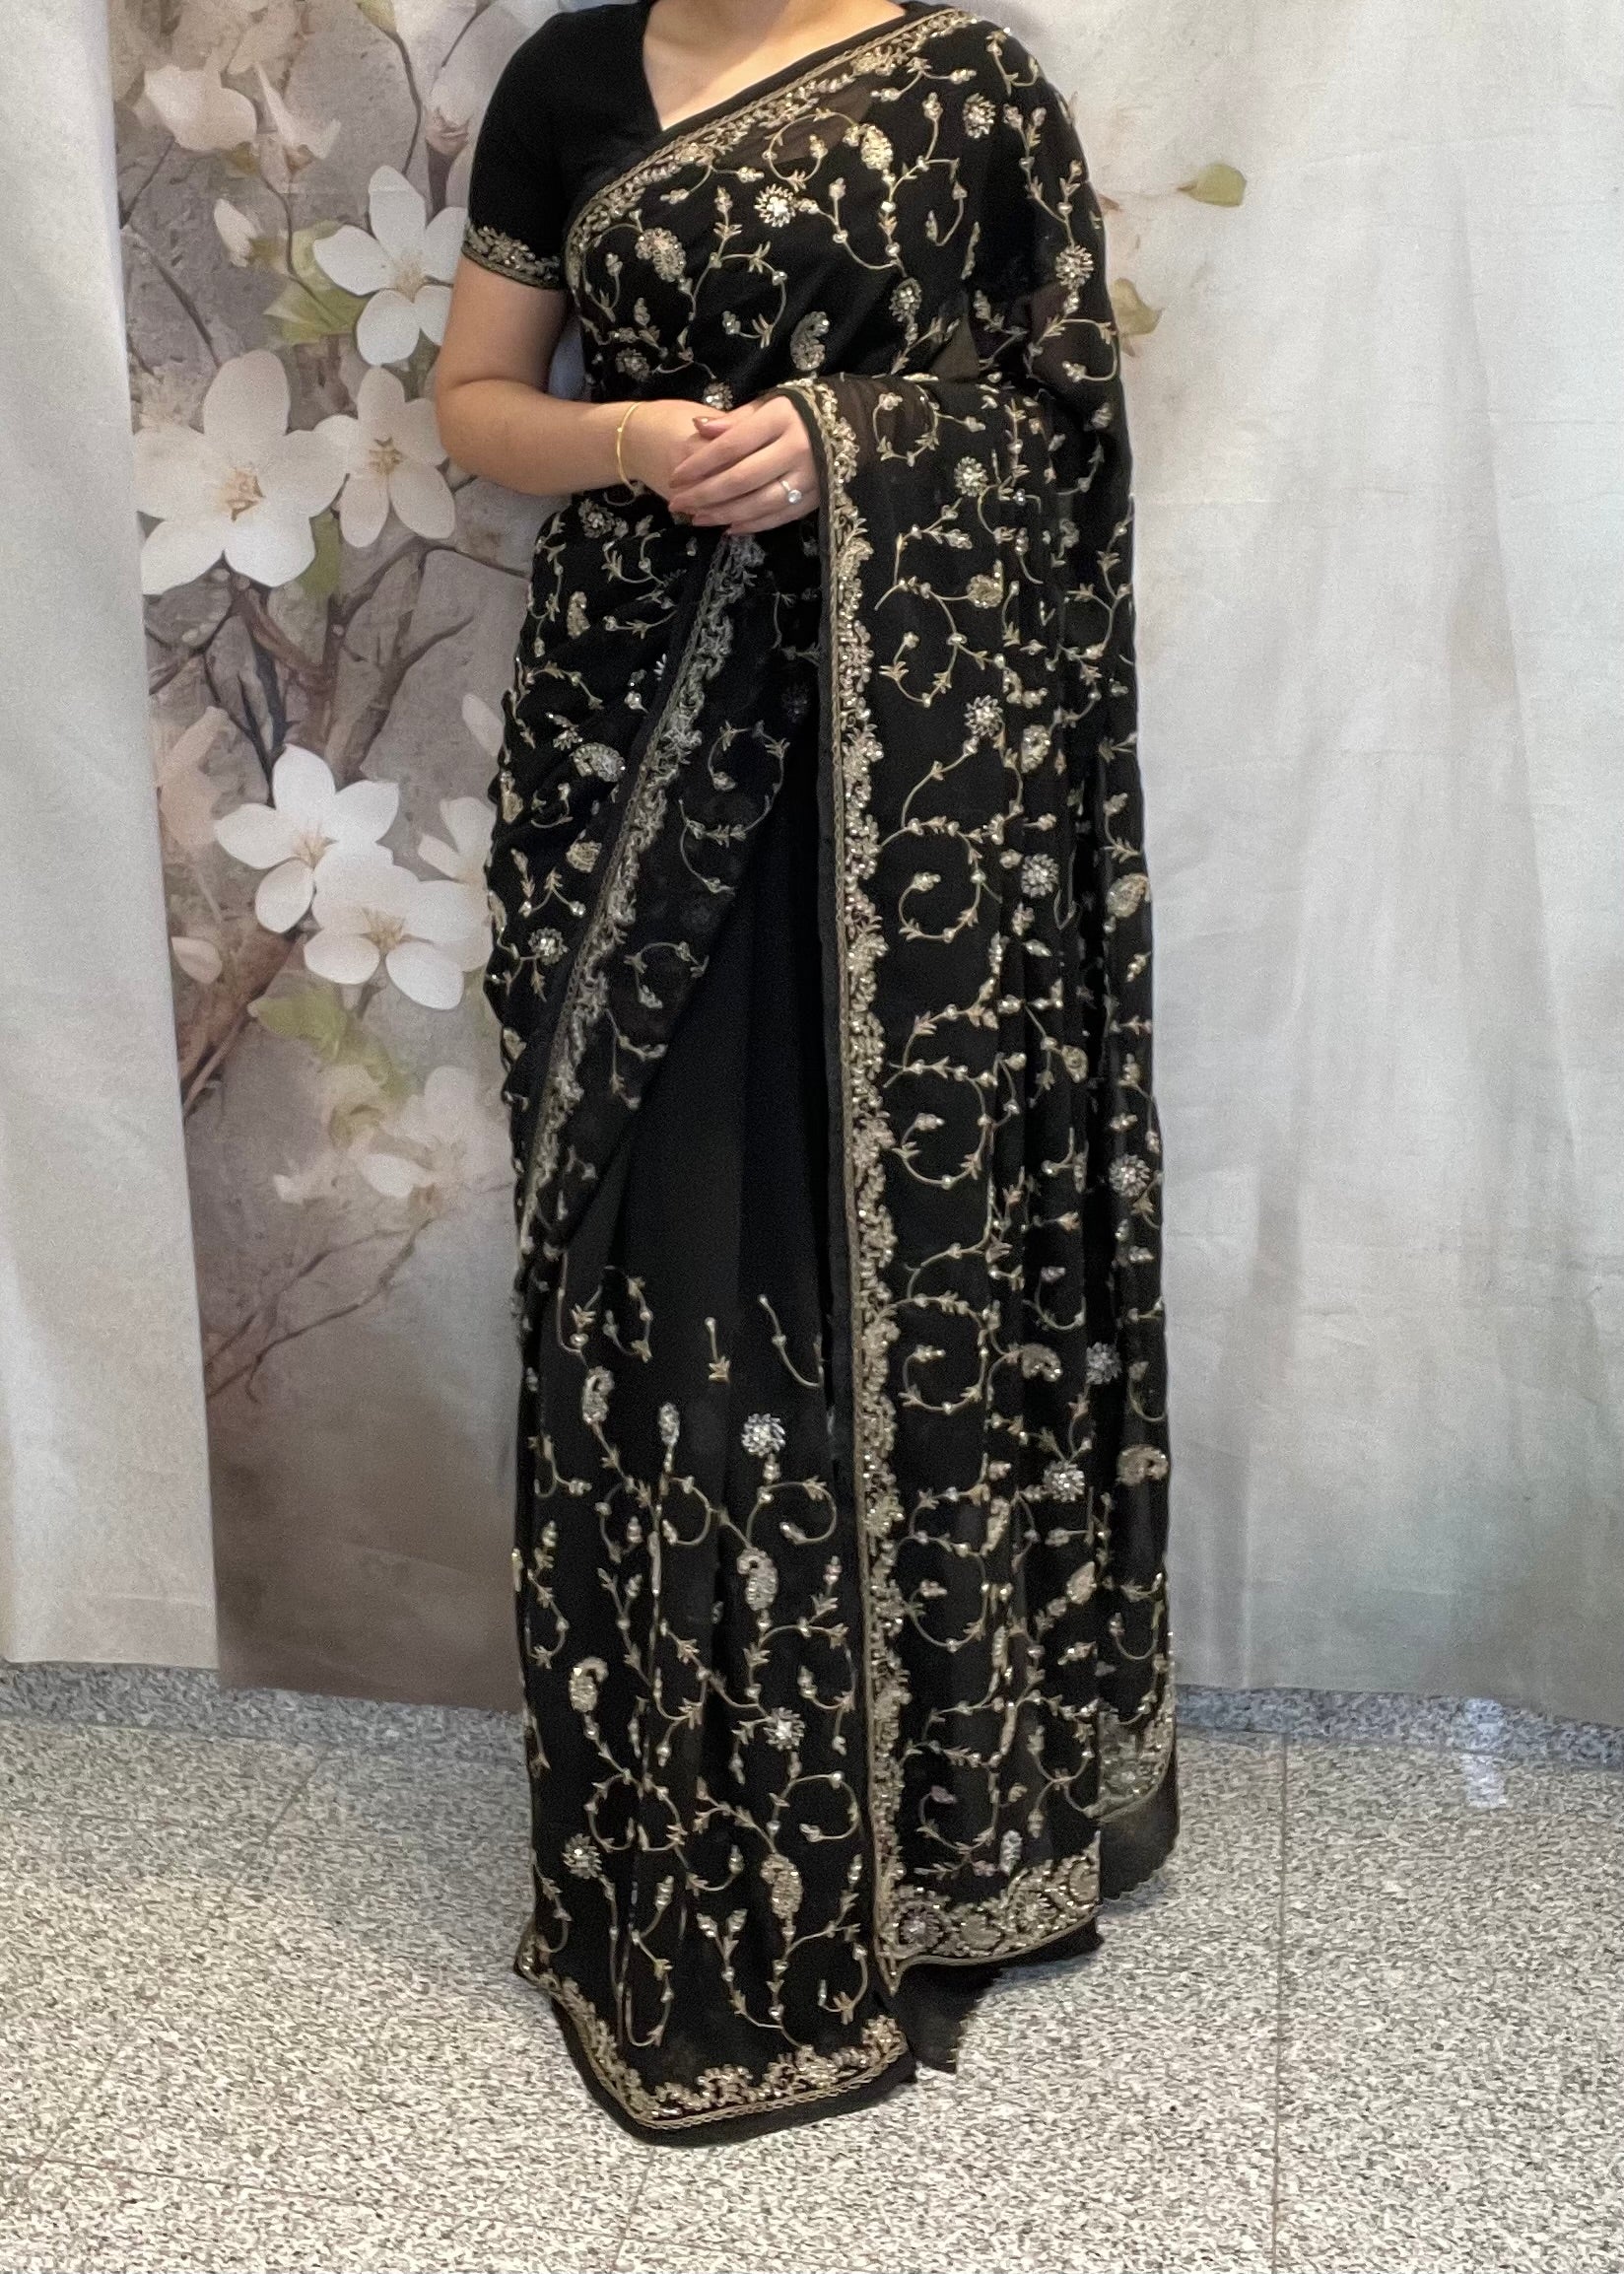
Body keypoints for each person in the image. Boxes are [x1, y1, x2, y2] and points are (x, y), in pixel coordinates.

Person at [435, 0, 1176, 2144]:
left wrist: (847, 446)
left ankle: (937, 1833)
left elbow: (1059, 420)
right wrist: (634, 444)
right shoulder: (568, 80)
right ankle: (697, 1833)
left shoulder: (969, 92)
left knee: (900, 1245)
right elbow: (477, 403)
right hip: (629, 734)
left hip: (913, 801)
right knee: (656, 1270)